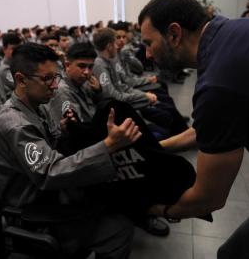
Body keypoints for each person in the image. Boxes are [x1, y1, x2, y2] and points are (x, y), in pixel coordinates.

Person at [138, 0, 249, 258]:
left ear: (173, 33)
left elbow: (209, 198)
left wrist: (155, 209)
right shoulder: (234, 34)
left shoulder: (219, 80)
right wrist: (154, 147)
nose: (147, 54)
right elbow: (207, 129)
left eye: (149, 42)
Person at [0, 43, 140, 258]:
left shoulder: (37, 106)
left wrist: (63, 132)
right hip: (32, 208)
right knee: (119, 229)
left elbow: (49, 148)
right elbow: (50, 172)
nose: (55, 86)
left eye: (55, 77)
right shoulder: (15, 123)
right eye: (47, 79)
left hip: (48, 193)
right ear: (21, 80)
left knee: (115, 197)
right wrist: (108, 146)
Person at [48, 42, 170, 236]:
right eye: (81, 66)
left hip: (97, 136)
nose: (87, 72)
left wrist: (98, 92)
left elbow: (99, 110)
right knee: (131, 160)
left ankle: (148, 202)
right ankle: (139, 213)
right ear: (66, 64)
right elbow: (78, 133)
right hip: (82, 150)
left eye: (89, 66)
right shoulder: (63, 91)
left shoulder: (84, 84)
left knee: (143, 143)